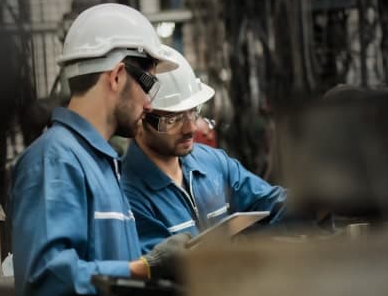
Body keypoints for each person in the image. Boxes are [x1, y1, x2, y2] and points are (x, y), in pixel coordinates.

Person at [8, 4, 190, 296]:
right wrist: (144, 269)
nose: (150, 105)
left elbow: (111, 262)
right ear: (118, 75)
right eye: (148, 86)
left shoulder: (105, 161)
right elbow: (45, 275)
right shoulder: (55, 160)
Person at [122, 45, 287, 252]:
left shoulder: (212, 163)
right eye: (173, 119)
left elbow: (271, 203)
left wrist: (319, 204)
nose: (191, 128)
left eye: (193, 112)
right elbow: (161, 269)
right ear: (139, 119)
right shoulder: (127, 195)